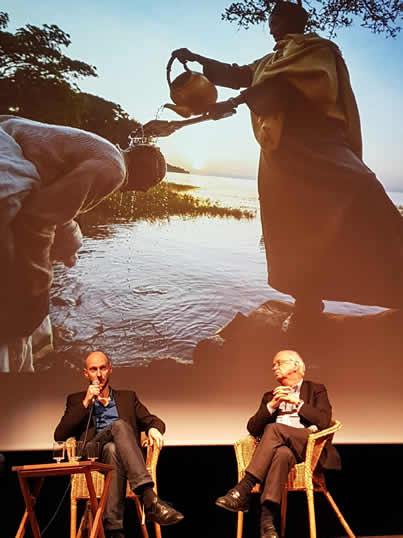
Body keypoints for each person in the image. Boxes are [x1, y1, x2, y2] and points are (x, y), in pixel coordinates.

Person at [171, 0, 403, 328]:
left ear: (292, 19)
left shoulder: (318, 49)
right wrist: (198, 60)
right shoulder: (269, 60)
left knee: (364, 188)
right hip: (279, 152)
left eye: (276, 16)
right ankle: (306, 302)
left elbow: (294, 86)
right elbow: (239, 74)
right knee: (291, 225)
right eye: (271, 16)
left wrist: (237, 101)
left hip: (317, 142)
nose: (271, 21)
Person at [0, 115, 166, 370]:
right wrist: (39, 286)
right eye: (150, 184)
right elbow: (36, 218)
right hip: (6, 165)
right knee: (25, 309)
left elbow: (52, 202)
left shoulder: (106, 150)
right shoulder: (115, 170)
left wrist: (65, 239)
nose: (143, 192)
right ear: (144, 175)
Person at [54, 350, 184, 538]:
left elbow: (153, 420)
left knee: (113, 448)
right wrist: (86, 401)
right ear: (86, 373)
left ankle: (114, 530)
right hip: (91, 453)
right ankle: (149, 498)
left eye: (103, 368)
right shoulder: (76, 400)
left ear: (110, 369)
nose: (98, 374)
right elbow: (60, 434)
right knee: (120, 426)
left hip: (116, 457)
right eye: (93, 369)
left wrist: (153, 429)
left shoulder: (127, 398)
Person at [215, 349, 340, 538]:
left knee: (273, 429)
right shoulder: (269, 396)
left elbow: (323, 421)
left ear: (296, 365)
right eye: (273, 365)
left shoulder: (315, 389)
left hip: (307, 444)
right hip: (282, 449)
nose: (274, 368)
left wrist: (297, 403)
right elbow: (253, 429)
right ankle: (267, 524)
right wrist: (272, 405)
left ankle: (244, 487)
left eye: (279, 363)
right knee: (281, 454)